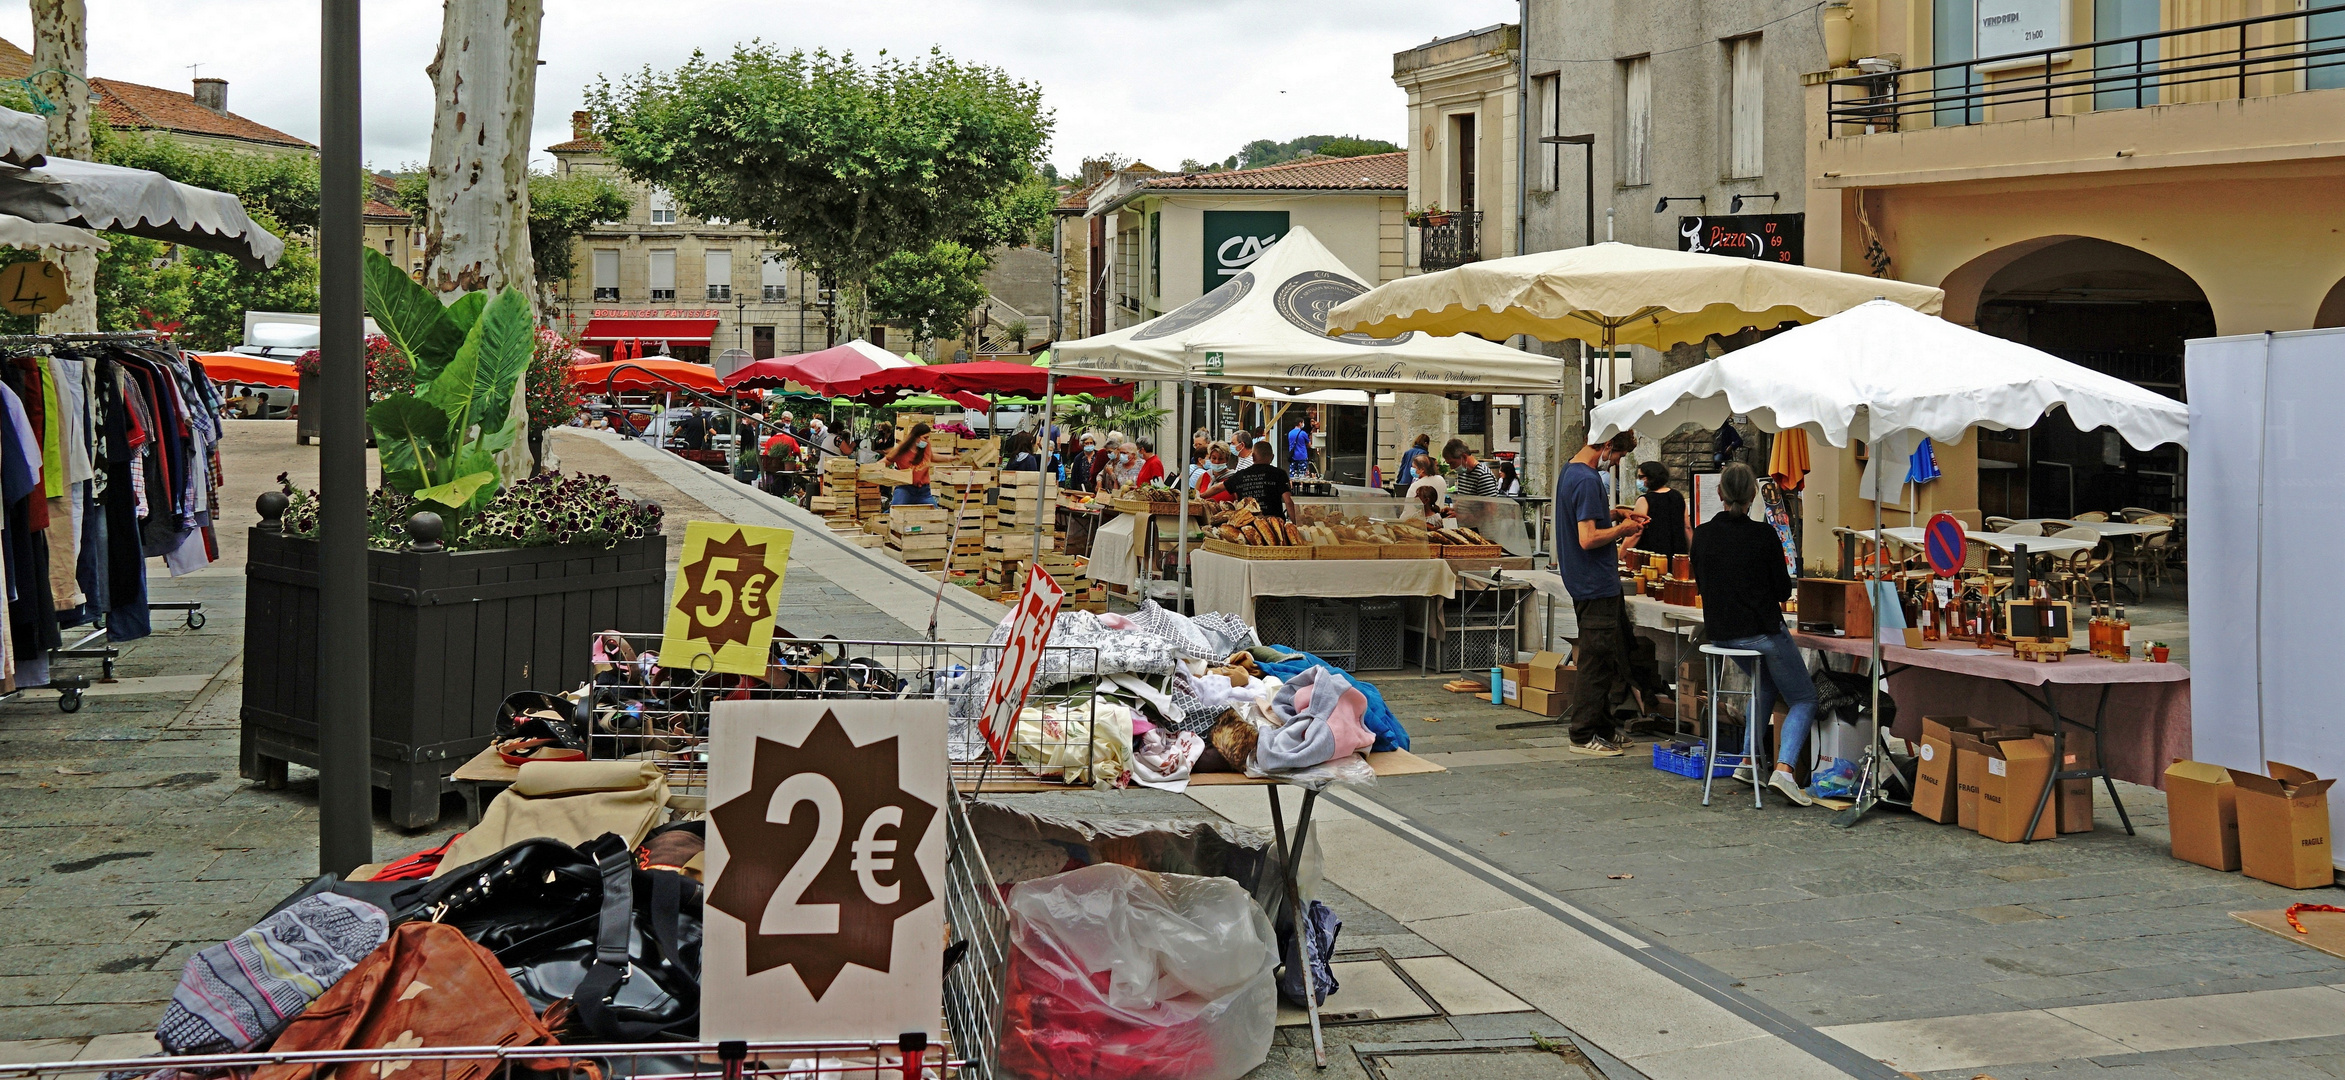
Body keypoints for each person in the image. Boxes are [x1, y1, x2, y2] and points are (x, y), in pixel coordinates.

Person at [1691, 463, 1818, 807]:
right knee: (1805, 699)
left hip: (1721, 635)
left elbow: (1702, 585)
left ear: (1719, 494)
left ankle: (1748, 762)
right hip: (1761, 632)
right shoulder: (1764, 535)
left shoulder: (1702, 535)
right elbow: (1781, 591)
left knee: (1765, 684)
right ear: (1753, 497)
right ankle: (1785, 769)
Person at [1558, 431, 1664, 756]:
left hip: (1590, 581)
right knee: (1596, 660)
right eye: (1617, 455)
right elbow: (1588, 538)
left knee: (1610, 654)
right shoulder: (1589, 480)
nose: (1617, 462)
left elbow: (1586, 520)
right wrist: (1624, 530)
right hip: (1595, 583)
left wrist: (1617, 514)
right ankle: (1582, 734)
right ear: (1606, 447)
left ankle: (1603, 727)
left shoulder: (1570, 471)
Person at [1209, 439, 1297, 519]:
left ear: (1253, 457)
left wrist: (1201, 496)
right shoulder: (1279, 474)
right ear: (1272, 457)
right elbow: (1288, 501)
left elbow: (1217, 488)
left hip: (1247, 524)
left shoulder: (1240, 475)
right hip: (1274, 524)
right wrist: (1296, 524)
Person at [1633, 460, 1692, 563]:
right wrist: (1691, 551)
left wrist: (1623, 552)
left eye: (1640, 477)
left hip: (1652, 556)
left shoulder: (1644, 500)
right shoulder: (1678, 496)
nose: (1639, 481)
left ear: (1648, 478)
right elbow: (1687, 527)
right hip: (1677, 554)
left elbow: (1637, 531)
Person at [887, 422, 936, 505]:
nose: (927, 441)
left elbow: (932, 457)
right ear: (916, 437)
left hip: (924, 491)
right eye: (925, 438)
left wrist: (950, 458)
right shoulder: (901, 451)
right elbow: (886, 460)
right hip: (905, 488)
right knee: (896, 510)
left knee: (935, 513)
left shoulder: (926, 447)